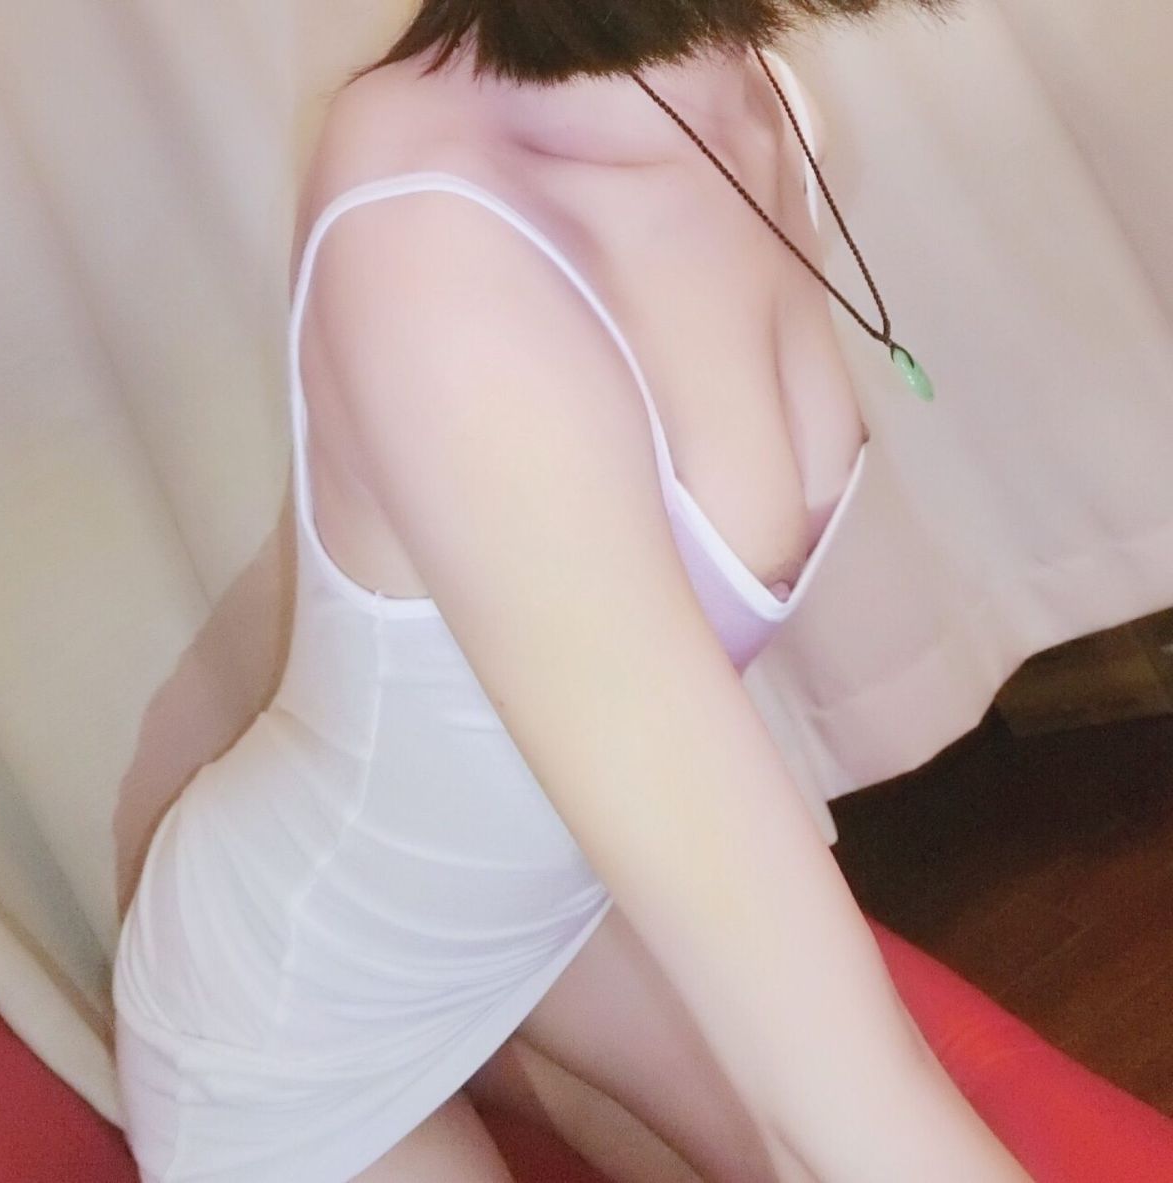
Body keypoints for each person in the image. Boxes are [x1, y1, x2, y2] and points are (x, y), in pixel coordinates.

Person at [112, 2, 1034, 1180]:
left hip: (558, 914)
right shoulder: (435, 237)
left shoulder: (742, 94)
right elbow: (848, 1102)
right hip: (299, 1016)